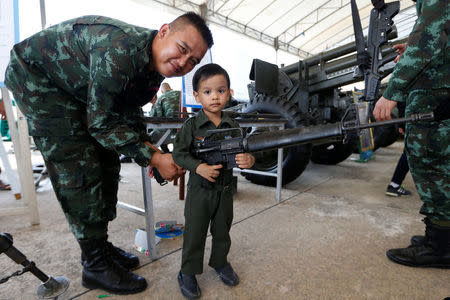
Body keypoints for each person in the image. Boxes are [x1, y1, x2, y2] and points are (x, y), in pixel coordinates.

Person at [4, 12, 213, 294]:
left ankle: (99, 247)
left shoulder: (153, 67)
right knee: (79, 163)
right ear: (163, 31)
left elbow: (127, 111)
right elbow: (101, 124)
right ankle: (94, 266)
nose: (184, 63)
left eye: (193, 61)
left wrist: (148, 149)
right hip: (40, 81)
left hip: (75, 87)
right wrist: (152, 157)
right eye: (183, 49)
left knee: (108, 159)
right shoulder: (121, 51)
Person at [373, 0, 449, 268]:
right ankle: (440, 238)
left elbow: (426, 42)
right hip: (438, 97)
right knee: (438, 171)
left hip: (434, 100)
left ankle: (439, 248)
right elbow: (437, 38)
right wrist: (415, 47)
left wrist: (391, 93)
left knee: (433, 173)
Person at [172, 63, 255, 299]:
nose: (215, 97)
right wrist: (198, 167)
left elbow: (244, 150)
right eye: (207, 92)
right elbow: (178, 153)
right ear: (197, 96)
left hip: (225, 190)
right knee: (195, 233)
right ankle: (187, 272)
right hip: (200, 191)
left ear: (229, 93)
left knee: (222, 231)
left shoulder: (234, 125)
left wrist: (248, 159)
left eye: (220, 91)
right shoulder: (191, 126)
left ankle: (220, 262)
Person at [385, 102, 412, 197]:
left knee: (409, 152)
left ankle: (394, 185)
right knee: (410, 152)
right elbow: (402, 101)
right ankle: (394, 185)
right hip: (420, 122)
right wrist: (402, 123)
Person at [149, 82, 181, 152]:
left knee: (153, 132)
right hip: (183, 126)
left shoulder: (161, 98)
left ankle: (165, 151)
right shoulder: (181, 94)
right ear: (171, 89)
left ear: (162, 91)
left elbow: (155, 116)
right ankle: (176, 151)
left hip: (168, 128)